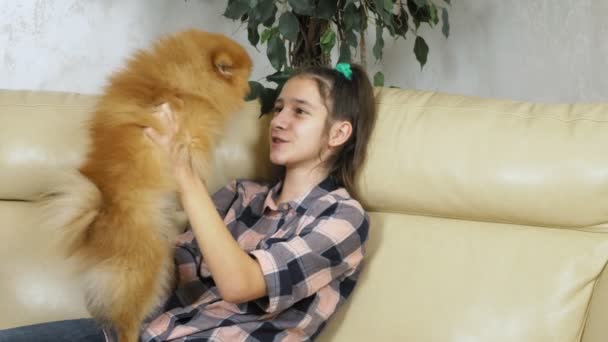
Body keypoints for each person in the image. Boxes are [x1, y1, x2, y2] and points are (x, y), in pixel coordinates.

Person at [0, 62, 377, 342]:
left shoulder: (342, 218)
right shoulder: (239, 195)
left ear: (339, 133)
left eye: (299, 111)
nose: (278, 121)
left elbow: (240, 284)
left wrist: (184, 172)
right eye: (278, 108)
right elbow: (159, 286)